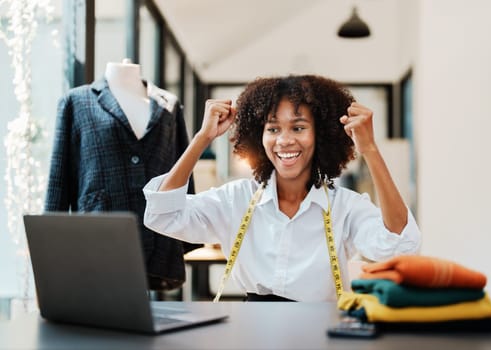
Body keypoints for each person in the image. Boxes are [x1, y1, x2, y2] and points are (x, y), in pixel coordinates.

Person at [143, 75, 421, 302]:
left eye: (298, 128)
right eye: (273, 129)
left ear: (320, 135)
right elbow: (163, 215)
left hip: (322, 335)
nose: (284, 140)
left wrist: (370, 150)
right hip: (250, 334)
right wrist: (203, 139)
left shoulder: (344, 207)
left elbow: (399, 246)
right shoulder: (236, 198)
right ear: (258, 135)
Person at [45, 59, 199, 292]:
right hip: (98, 239)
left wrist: (188, 237)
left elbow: (182, 170)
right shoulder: (76, 102)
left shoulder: (168, 105)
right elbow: (59, 177)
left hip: (159, 240)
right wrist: (50, 241)